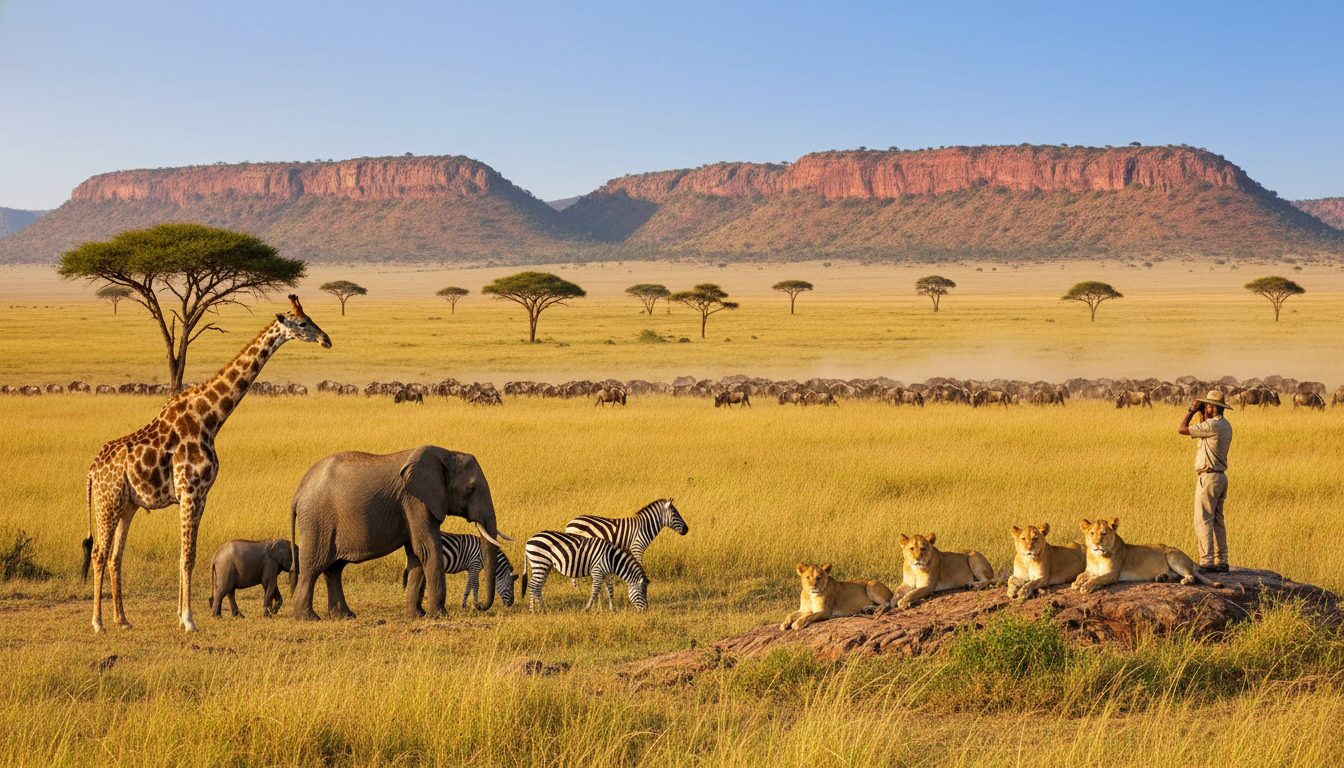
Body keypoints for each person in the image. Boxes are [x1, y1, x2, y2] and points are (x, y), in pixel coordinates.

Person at [1177, 390, 1233, 573]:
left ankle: (1207, 561)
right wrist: (1203, 413)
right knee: (1217, 520)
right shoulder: (1224, 425)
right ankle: (1222, 559)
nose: (1205, 407)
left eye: (1207, 405)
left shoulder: (1212, 425)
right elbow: (1203, 428)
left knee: (1202, 519)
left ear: (1213, 407)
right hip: (1220, 477)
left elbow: (1182, 429)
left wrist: (1191, 411)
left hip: (1208, 478)